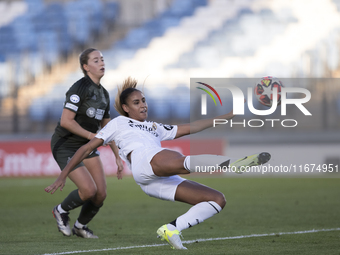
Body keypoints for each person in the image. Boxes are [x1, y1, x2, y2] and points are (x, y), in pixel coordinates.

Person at [45, 77, 270, 248]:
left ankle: (172, 229)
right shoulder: (119, 123)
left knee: (216, 199)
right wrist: (63, 175)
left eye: (144, 100)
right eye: (136, 102)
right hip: (145, 162)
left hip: (154, 180)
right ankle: (232, 164)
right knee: (176, 158)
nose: (143, 105)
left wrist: (230, 114)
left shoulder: (155, 127)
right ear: (126, 108)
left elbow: (192, 127)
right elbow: (86, 148)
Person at [49, 48, 123, 239]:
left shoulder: (104, 95)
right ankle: (60, 210)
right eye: (96, 60)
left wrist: (117, 156)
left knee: (100, 194)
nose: (101, 63)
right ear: (86, 66)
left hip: (87, 147)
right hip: (66, 144)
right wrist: (91, 135)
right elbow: (66, 121)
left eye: (102, 59)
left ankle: (80, 226)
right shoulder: (79, 88)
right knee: (88, 190)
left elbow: (108, 129)